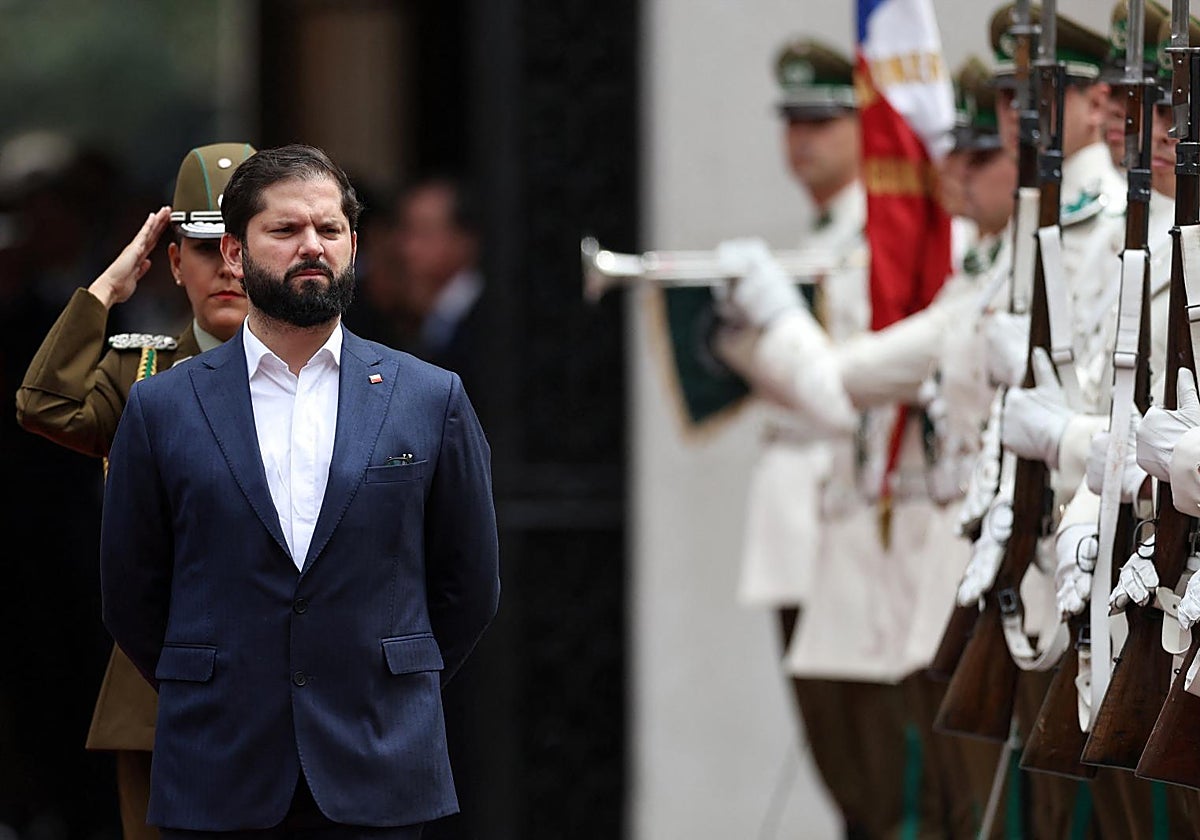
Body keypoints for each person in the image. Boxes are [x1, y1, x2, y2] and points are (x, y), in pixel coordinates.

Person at [99, 143, 500, 837]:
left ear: (353, 244)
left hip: (380, 764)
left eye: (330, 229)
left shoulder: (429, 397)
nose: (311, 246)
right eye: (285, 231)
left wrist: (388, 681)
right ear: (233, 252)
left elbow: (469, 583)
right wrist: (220, 684)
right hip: (217, 767)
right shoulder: (162, 406)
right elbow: (132, 591)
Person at [15, 140, 256, 840]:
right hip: (164, 699)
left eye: (246, 243)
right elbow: (42, 405)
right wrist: (108, 288)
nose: (229, 268)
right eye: (207, 247)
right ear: (174, 258)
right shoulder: (142, 373)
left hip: (288, 695)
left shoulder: (325, 372)